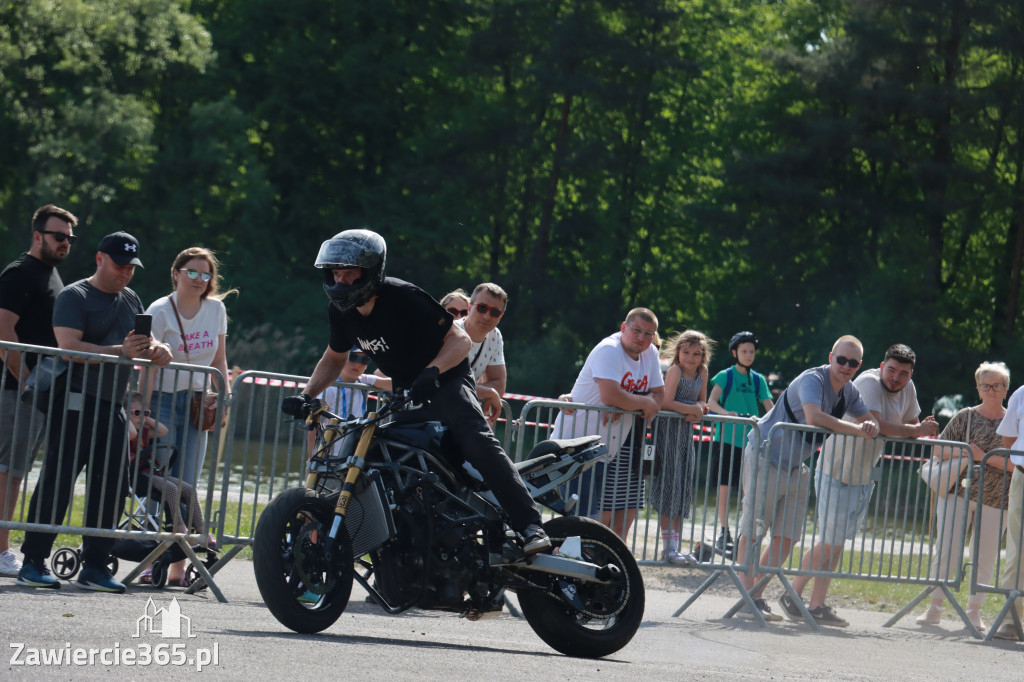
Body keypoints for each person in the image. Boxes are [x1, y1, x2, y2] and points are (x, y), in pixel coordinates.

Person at [281, 229, 549, 555]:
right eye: (336, 274)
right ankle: (397, 555)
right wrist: (307, 396)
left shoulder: (403, 297)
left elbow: (460, 340)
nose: (341, 281)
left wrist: (432, 371)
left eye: (349, 274)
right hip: (407, 393)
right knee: (383, 461)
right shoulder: (341, 312)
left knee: (476, 440)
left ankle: (530, 525)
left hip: (447, 381)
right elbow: (334, 357)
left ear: (369, 272)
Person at [18, 232, 172, 592]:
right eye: (120, 265)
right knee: (58, 481)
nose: (127, 273)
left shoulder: (131, 297)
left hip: (113, 404)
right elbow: (69, 347)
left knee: (112, 487)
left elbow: (140, 344)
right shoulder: (75, 295)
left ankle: (95, 567)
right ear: (100, 259)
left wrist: (159, 349)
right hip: (75, 399)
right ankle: (32, 561)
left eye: (132, 267)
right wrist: (121, 351)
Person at [780, 344, 938, 627]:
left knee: (836, 544)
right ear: (880, 366)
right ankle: (792, 594)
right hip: (836, 468)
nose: (895, 378)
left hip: (864, 474)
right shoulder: (867, 382)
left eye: (903, 373)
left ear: (910, 374)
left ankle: (817, 605)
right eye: (891, 370)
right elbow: (878, 425)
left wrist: (921, 431)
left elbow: (912, 423)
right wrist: (915, 431)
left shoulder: (908, 388)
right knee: (830, 540)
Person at [734, 335, 878, 621]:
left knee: (787, 537)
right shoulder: (812, 379)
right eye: (841, 360)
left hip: (795, 466)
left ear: (859, 365)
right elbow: (815, 418)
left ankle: (756, 597)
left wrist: (871, 423)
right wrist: (859, 430)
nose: (846, 366)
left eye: (852, 362)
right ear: (830, 357)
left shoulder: (849, 392)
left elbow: (869, 417)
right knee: (753, 529)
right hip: (765, 454)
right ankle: (747, 600)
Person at [140, 246, 233, 585]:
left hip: (197, 401)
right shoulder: (160, 310)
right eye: (191, 272)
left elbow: (219, 359)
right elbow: (148, 365)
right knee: (161, 481)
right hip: (163, 400)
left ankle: (178, 568)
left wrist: (224, 396)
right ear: (176, 273)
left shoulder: (216, 309)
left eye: (205, 274)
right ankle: (150, 559)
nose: (198, 279)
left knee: (188, 481)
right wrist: (143, 409)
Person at [0, 204, 76, 578]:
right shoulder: (21, 273)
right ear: (37, 235)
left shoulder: (51, 275)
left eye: (69, 238)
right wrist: (27, 379)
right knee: (7, 469)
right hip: (15, 389)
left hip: (33, 390)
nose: (65, 243)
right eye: (58, 236)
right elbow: (2, 332)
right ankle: (0, 550)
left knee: (14, 470)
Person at [915, 361, 1013, 631]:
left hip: (998, 499)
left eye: (997, 385)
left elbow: (1019, 464)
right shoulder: (965, 416)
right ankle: (935, 607)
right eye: (986, 385)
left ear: (1006, 389)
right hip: (956, 492)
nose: (991, 390)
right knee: (946, 548)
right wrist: (964, 452)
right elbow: (939, 451)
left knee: (985, 555)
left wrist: (984, 457)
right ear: (979, 388)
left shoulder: (1015, 422)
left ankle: (973, 611)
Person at [552, 308, 664, 540]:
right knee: (580, 519)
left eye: (648, 333)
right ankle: (562, 569)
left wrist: (626, 404)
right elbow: (611, 396)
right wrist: (638, 403)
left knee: (590, 521)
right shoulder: (609, 350)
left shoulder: (650, 352)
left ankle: (579, 569)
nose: (642, 337)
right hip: (576, 446)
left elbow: (659, 396)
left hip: (604, 450)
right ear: (624, 327)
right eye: (636, 330)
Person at [125, 392, 210, 588]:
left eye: (145, 413)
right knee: (170, 489)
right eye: (137, 413)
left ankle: (201, 532)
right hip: (133, 475)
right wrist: (128, 417)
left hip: (148, 471)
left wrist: (145, 418)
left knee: (188, 489)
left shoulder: (144, 429)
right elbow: (131, 433)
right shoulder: (126, 428)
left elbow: (163, 430)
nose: (142, 417)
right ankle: (179, 528)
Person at [707, 331, 775, 556]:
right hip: (726, 439)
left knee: (749, 488)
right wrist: (727, 413)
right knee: (724, 485)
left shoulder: (758, 379)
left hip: (751, 442)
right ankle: (724, 531)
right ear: (735, 352)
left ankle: (744, 533)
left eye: (752, 352)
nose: (748, 355)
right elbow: (711, 403)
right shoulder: (725, 376)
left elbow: (769, 407)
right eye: (744, 351)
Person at [650, 330, 711, 563]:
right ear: (678, 352)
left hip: (686, 435)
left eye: (696, 354)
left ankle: (677, 545)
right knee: (669, 486)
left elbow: (702, 401)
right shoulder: (674, 370)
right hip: (667, 433)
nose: (690, 358)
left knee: (682, 487)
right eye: (685, 352)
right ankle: (668, 547)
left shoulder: (702, 372)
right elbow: (667, 402)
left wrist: (698, 408)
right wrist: (692, 410)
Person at [308, 346, 392, 456]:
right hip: (330, 451)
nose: (358, 364)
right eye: (352, 357)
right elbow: (313, 429)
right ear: (342, 359)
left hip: (355, 451)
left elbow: (393, 383)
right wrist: (311, 459)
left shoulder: (364, 380)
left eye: (365, 360)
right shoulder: (329, 388)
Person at [996, 379, 1024, 641]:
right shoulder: (1021, 394)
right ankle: (1011, 619)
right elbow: (1009, 440)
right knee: (1017, 550)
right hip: (1023, 476)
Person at [457, 282, 508, 426]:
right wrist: (489, 392)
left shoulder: (495, 336)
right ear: (469, 307)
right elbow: (448, 383)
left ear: (500, 316)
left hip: (462, 414)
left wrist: (489, 391)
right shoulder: (452, 332)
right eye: (482, 308)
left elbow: (499, 383)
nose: (487, 316)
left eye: (495, 312)